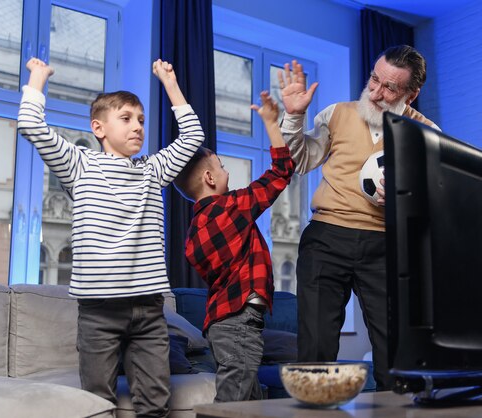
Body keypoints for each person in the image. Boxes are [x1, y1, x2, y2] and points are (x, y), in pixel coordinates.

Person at [18, 57, 205, 417]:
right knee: (97, 402)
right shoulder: (79, 165)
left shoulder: (152, 170)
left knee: (155, 402)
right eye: (126, 118)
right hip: (99, 310)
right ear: (98, 127)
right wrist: (37, 79)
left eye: (141, 120)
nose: (137, 126)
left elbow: (193, 136)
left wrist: (170, 83)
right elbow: (30, 124)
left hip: (149, 309)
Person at [277, 45, 439, 391]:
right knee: (316, 348)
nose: (376, 93)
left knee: (395, 350)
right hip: (326, 238)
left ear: (412, 94)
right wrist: (293, 118)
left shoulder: (426, 134)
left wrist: (403, 198)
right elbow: (301, 161)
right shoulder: (336, 113)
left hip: (387, 245)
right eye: (374, 80)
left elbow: (436, 200)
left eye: (390, 88)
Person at [174, 91, 295, 402]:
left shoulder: (193, 232)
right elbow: (281, 172)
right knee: (234, 403)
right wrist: (271, 123)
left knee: (251, 401)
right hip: (240, 321)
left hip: (219, 323)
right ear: (210, 177)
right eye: (222, 166)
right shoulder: (232, 207)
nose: (227, 172)